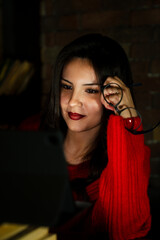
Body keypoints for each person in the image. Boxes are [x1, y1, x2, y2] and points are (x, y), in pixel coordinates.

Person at [21, 33, 152, 239]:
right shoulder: (32, 130)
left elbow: (124, 229)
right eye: (66, 87)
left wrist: (126, 114)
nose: (73, 102)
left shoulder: (128, 157)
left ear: (114, 94)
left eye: (90, 91)